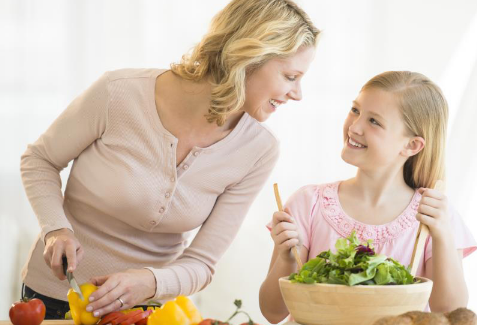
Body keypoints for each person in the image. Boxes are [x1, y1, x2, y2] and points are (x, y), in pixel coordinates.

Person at [20, 0, 320, 319]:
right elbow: (40, 159)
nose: (298, 93)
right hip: (54, 297)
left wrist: (149, 282)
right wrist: (56, 229)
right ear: (249, 57)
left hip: (151, 311)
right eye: (290, 76)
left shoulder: (259, 149)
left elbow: (202, 264)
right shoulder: (118, 93)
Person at [259, 71, 477, 323]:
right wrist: (286, 258)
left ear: (412, 145)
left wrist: (442, 236)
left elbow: (451, 312)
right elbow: (273, 312)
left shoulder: (433, 215)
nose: (355, 126)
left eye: (374, 121)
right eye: (355, 110)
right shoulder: (307, 204)